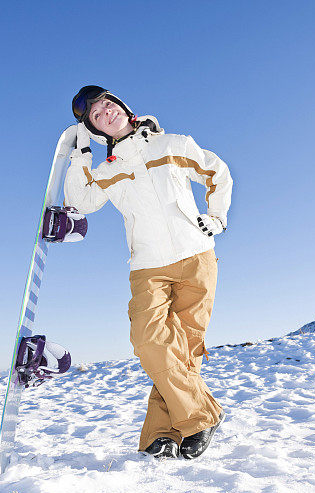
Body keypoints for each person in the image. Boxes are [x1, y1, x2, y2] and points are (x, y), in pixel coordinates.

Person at [58, 86, 233, 459]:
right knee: (150, 342)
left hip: (197, 257)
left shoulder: (172, 144)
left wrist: (216, 216)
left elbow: (216, 170)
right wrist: (80, 153)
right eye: (95, 115)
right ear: (96, 130)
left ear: (122, 105)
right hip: (147, 267)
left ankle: (161, 434)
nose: (105, 112)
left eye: (107, 104)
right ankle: (202, 416)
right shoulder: (109, 168)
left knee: (182, 353)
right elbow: (80, 201)